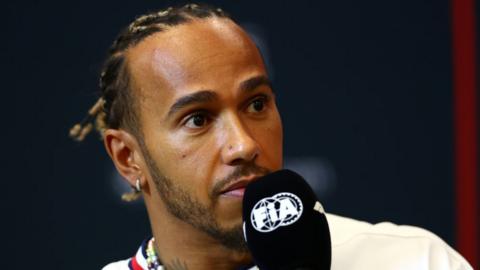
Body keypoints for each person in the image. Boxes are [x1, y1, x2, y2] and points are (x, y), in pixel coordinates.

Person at [70, 3, 473, 270]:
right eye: (198, 119)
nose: (244, 144)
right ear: (127, 158)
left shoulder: (413, 261)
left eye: (256, 104)